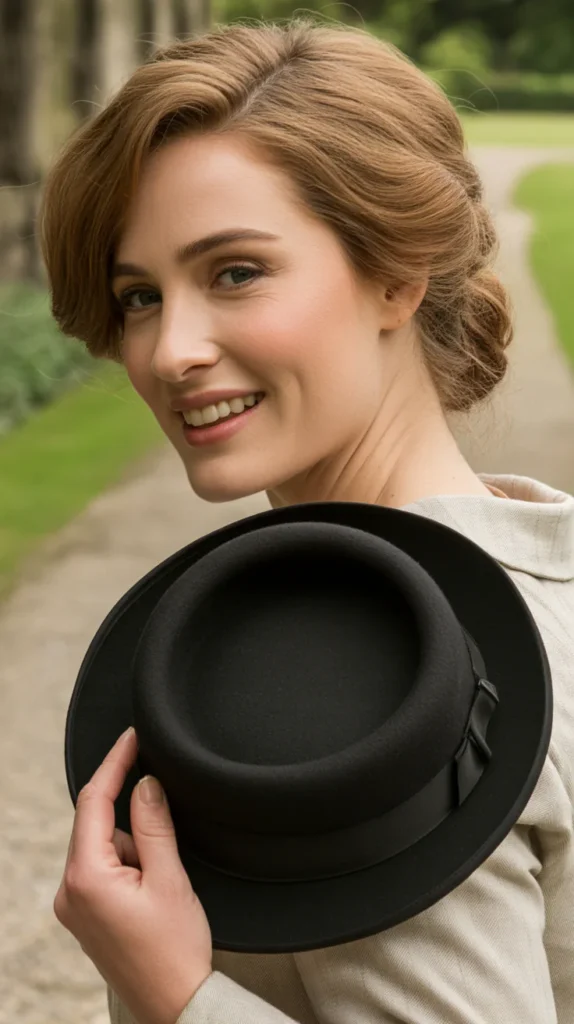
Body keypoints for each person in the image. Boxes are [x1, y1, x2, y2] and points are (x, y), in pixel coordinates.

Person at [39, 17, 574, 1024]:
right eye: (140, 296)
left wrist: (177, 996)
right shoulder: (546, 574)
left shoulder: (356, 678)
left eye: (234, 271)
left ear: (396, 272)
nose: (169, 350)